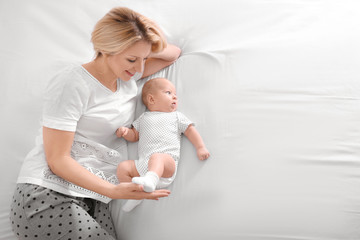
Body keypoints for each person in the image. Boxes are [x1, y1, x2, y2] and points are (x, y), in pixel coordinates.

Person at [10, 7, 181, 240]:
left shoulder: (127, 80)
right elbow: (57, 159)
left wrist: (144, 36)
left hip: (94, 197)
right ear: (106, 48)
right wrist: (112, 190)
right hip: (49, 194)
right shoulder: (72, 83)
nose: (139, 68)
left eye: (143, 59)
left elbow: (173, 53)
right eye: (132, 59)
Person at [116, 77, 210, 212]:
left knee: (157, 157)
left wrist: (200, 147)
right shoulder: (143, 118)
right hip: (143, 165)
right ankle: (135, 194)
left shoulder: (176, 116)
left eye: (175, 95)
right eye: (169, 93)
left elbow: (190, 130)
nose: (175, 97)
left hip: (166, 164)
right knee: (123, 167)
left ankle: (151, 179)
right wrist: (126, 132)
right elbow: (135, 136)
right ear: (152, 99)